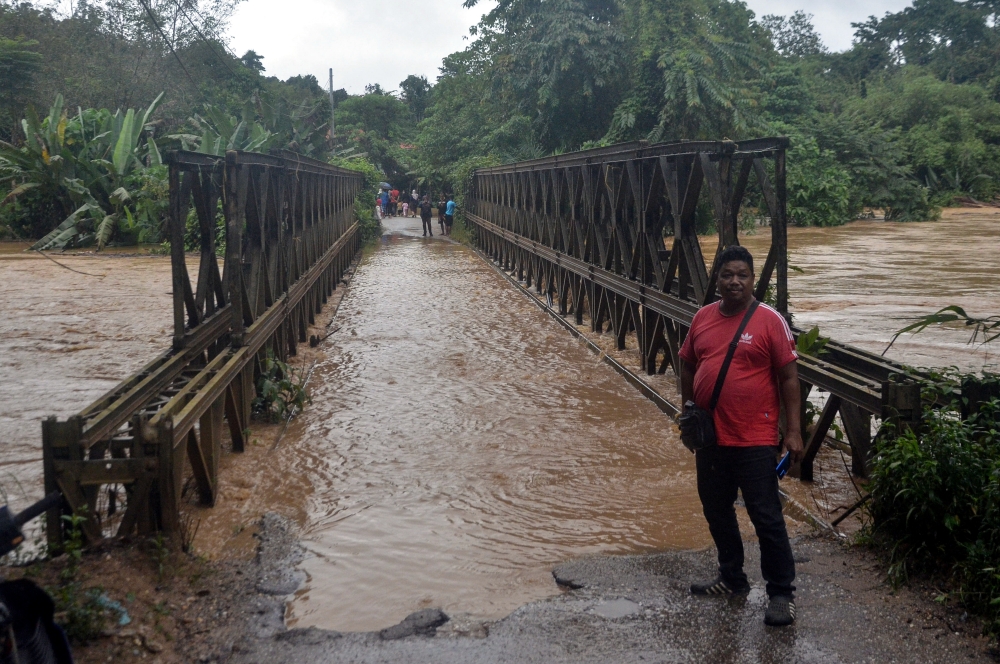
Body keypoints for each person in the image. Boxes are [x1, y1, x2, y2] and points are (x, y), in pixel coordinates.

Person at [678, 244, 803, 628]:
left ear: (752, 280)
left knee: (766, 517)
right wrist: (688, 406)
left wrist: (794, 432)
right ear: (717, 279)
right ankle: (732, 579)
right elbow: (686, 363)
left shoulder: (769, 320)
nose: (735, 281)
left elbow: (788, 378)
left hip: (755, 437)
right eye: (727, 274)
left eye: (742, 275)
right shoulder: (702, 318)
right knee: (716, 511)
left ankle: (781, 593)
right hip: (712, 437)